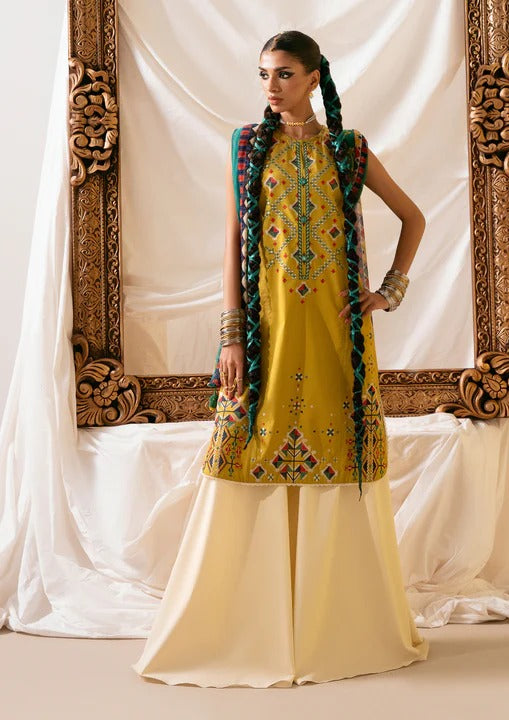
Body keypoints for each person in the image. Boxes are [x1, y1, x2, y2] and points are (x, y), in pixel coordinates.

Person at [132, 30, 429, 688]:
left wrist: (389, 291)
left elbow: (414, 217)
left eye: (285, 73)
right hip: (266, 330)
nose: (271, 85)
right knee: (246, 448)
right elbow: (233, 245)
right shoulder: (247, 145)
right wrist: (231, 336)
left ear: (315, 78)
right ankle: (247, 626)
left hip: (337, 332)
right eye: (264, 73)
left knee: (335, 451)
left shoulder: (349, 150)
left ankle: (334, 627)